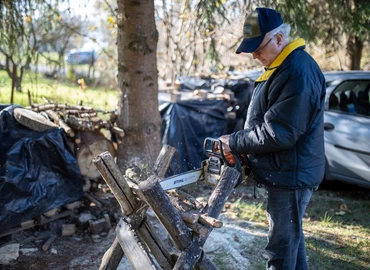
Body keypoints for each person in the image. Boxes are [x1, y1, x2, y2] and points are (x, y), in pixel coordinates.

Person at [219, 7, 326, 270]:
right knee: (291, 245)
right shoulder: (280, 66)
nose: (254, 55)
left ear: (279, 39)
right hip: (284, 171)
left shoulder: (297, 72)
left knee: (279, 251)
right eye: (251, 49)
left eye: (258, 47)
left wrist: (234, 141)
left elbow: (279, 132)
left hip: (290, 175)